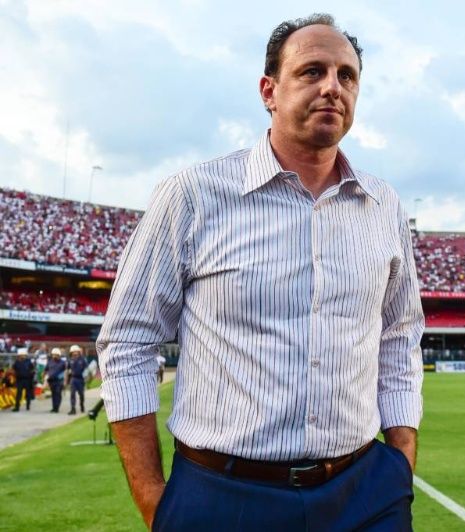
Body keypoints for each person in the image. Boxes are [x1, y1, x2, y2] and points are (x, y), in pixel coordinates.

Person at [98, 13, 424, 531]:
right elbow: (128, 342)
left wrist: (400, 460)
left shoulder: (383, 205)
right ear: (269, 91)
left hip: (363, 490)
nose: (332, 87)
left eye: (347, 76)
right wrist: (153, 498)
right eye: (312, 71)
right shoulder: (193, 195)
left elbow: (400, 335)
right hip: (223, 494)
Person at [43, 348, 67, 413]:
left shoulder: (63, 363)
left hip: (59, 381)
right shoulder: (49, 362)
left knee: (58, 393)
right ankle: (54, 407)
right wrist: (45, 380)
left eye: (56, 355)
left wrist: (65, 381)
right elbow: (46, 370)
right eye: (53, 355)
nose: (54, 356)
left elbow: (65, 372)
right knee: (53, 394)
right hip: (51, 381)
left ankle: (57, 407)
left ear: (59, 355)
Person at [67, 345, 88, 415]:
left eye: (76, 351)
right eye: (73, 351)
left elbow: (86, 369)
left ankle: (82, 405)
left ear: (78, 352)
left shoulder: (83, 360)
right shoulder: (70, 360)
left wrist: (86, 379)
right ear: (71, 352)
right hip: (73, 379)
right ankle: (73, 409)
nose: (75, 352)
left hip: (80, 379)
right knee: (72, 394)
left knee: (81, 394)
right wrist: (66, 381)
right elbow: (67, 370)